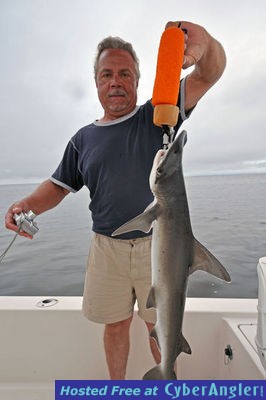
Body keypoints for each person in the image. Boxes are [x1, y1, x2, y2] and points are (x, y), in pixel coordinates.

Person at [5, 21, 226, 379]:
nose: (115, 81)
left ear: (138, 80)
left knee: (161, 326)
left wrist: (207, 45)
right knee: (115, 326)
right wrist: (25, 205)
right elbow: (59, 186)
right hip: (106, 248)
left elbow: (209, 74)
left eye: (125, 73)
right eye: (106, 74)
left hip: (159, 247)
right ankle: (117, 389)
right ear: (96, 82)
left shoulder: (159, 115)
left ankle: (167, 382)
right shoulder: (83, 139)